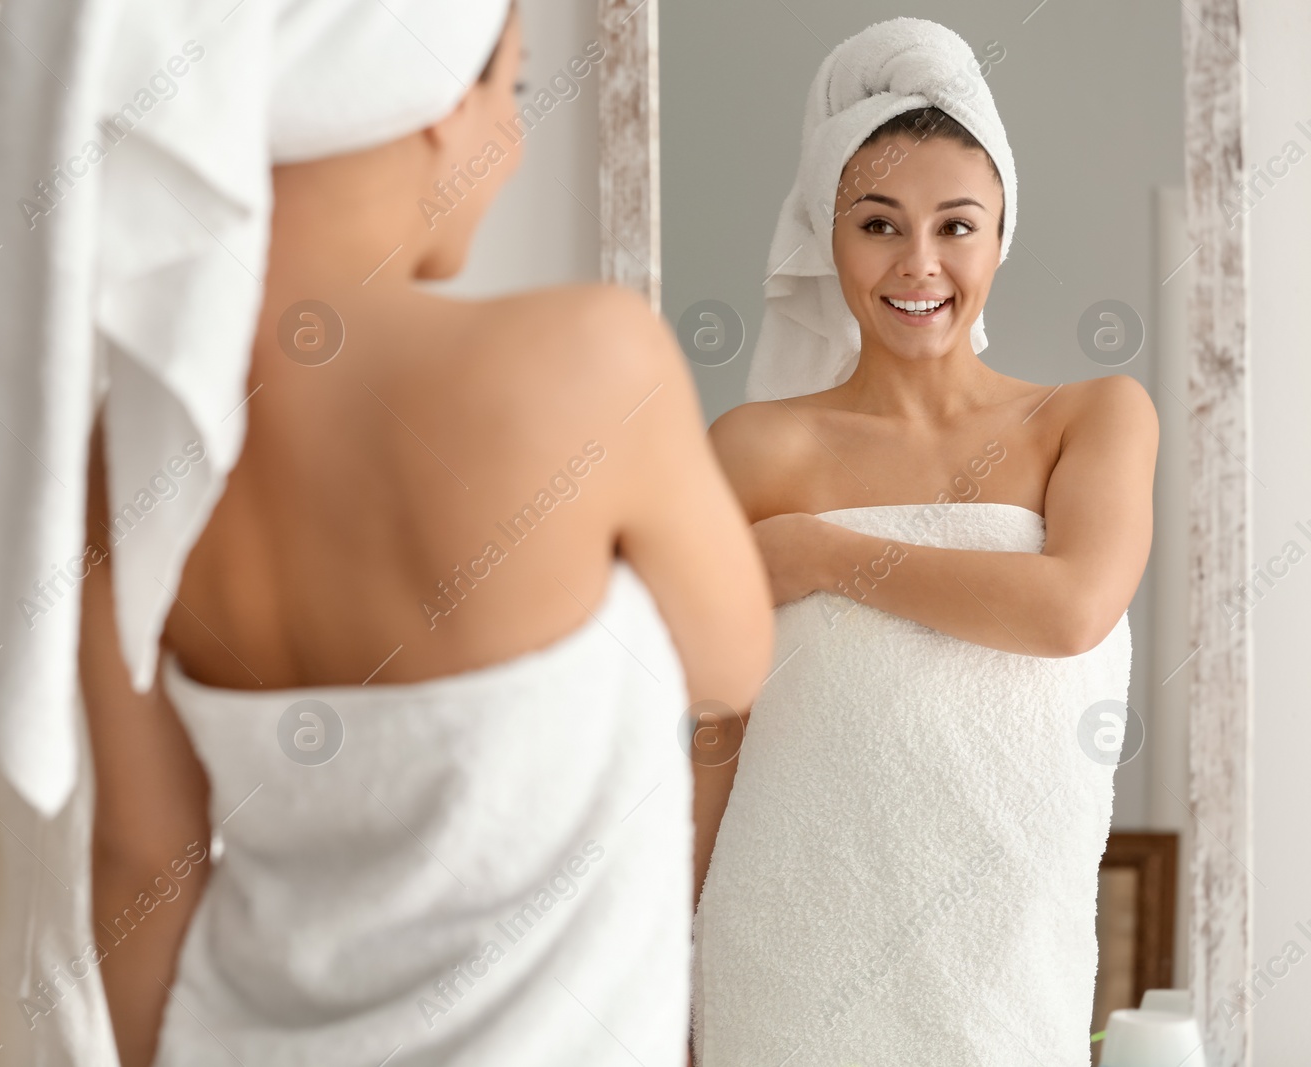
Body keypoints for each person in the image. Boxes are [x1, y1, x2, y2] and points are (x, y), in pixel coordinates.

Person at [76, 4, 772, 1065]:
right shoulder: (590, 362)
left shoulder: (128, 451)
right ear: (441, 99)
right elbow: (728, 671)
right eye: (516, 92)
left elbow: (141, 862)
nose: (516, 138)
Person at [689, 18, 1157, 1066]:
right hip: (784, 952)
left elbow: (1069, 609)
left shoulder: (1090, 417)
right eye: (877, 224)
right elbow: (717, 724)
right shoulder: (756, 444)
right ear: (826, 233)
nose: (919, 264)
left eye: (956, 225)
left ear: (999, 235)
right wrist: (668, 962)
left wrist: (816, 555)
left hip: (1001, 966)